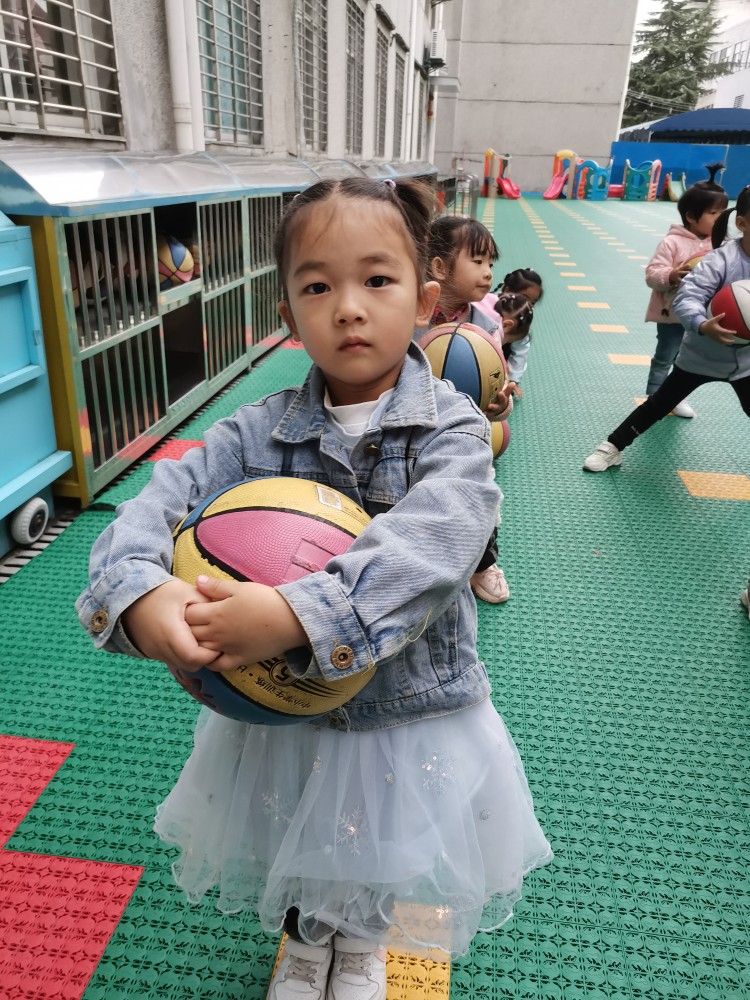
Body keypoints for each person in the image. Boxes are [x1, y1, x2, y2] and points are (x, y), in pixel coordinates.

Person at [76, 177, 552, 1000]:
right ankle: (304, 943)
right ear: (289, 317)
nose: (349, 308)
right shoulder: (253, 432)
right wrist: (137, 591)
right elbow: (159, 498)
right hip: (284, 706)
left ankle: (361, 942)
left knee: (381, 840)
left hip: (404, 707)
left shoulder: (452, 427)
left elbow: (441, 536)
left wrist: (300, 614)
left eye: (377, 279)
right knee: (294, 828)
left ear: (425, 300)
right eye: (319, 286)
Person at [583, 183, 750, 473]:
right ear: (742, 224)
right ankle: (612, 447)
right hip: (702, 356)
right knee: (659, 403)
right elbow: (687, 298)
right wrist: (702, 325)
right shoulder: (720, 260)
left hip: (746, 363)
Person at [423, 216, 514, 604]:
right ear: (439, 267)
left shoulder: (487, 327)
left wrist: (501, 405)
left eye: (490, 263)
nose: (488, 272)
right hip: (414, 427)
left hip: (468, 433)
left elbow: (498, 385)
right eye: (477, 261)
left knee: (480, 494)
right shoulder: (407, 316)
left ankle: (483, 564)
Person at [641, 164, 728, 419]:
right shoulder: (672, 242)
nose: (720, 218)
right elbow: (652, 274)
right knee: (664, 357)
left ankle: (676, 398)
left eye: (723, 212)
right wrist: (671, 275)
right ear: (691, 216)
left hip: (701, 318)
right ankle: (654, 399)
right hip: (671, 316)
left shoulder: (721, 245)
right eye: (713, 213)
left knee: (686, 363)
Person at [494, 288, 536, 399]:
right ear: (506, 325)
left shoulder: (522, 333)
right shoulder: (481, 324)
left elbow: (520, 356)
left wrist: (513, 380)